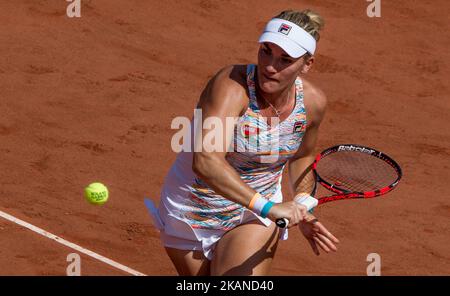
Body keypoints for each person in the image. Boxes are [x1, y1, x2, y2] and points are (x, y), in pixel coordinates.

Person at [151, 9, 339, 276]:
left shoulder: (312, 103)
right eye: (266, 51)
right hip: (193, 211)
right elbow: (206, 160)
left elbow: (302, 156)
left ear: (307, 64)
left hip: (254, 216)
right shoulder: (230, 86)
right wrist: (270, 208)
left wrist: (301, 201)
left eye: (285, 59)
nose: (270, 66)